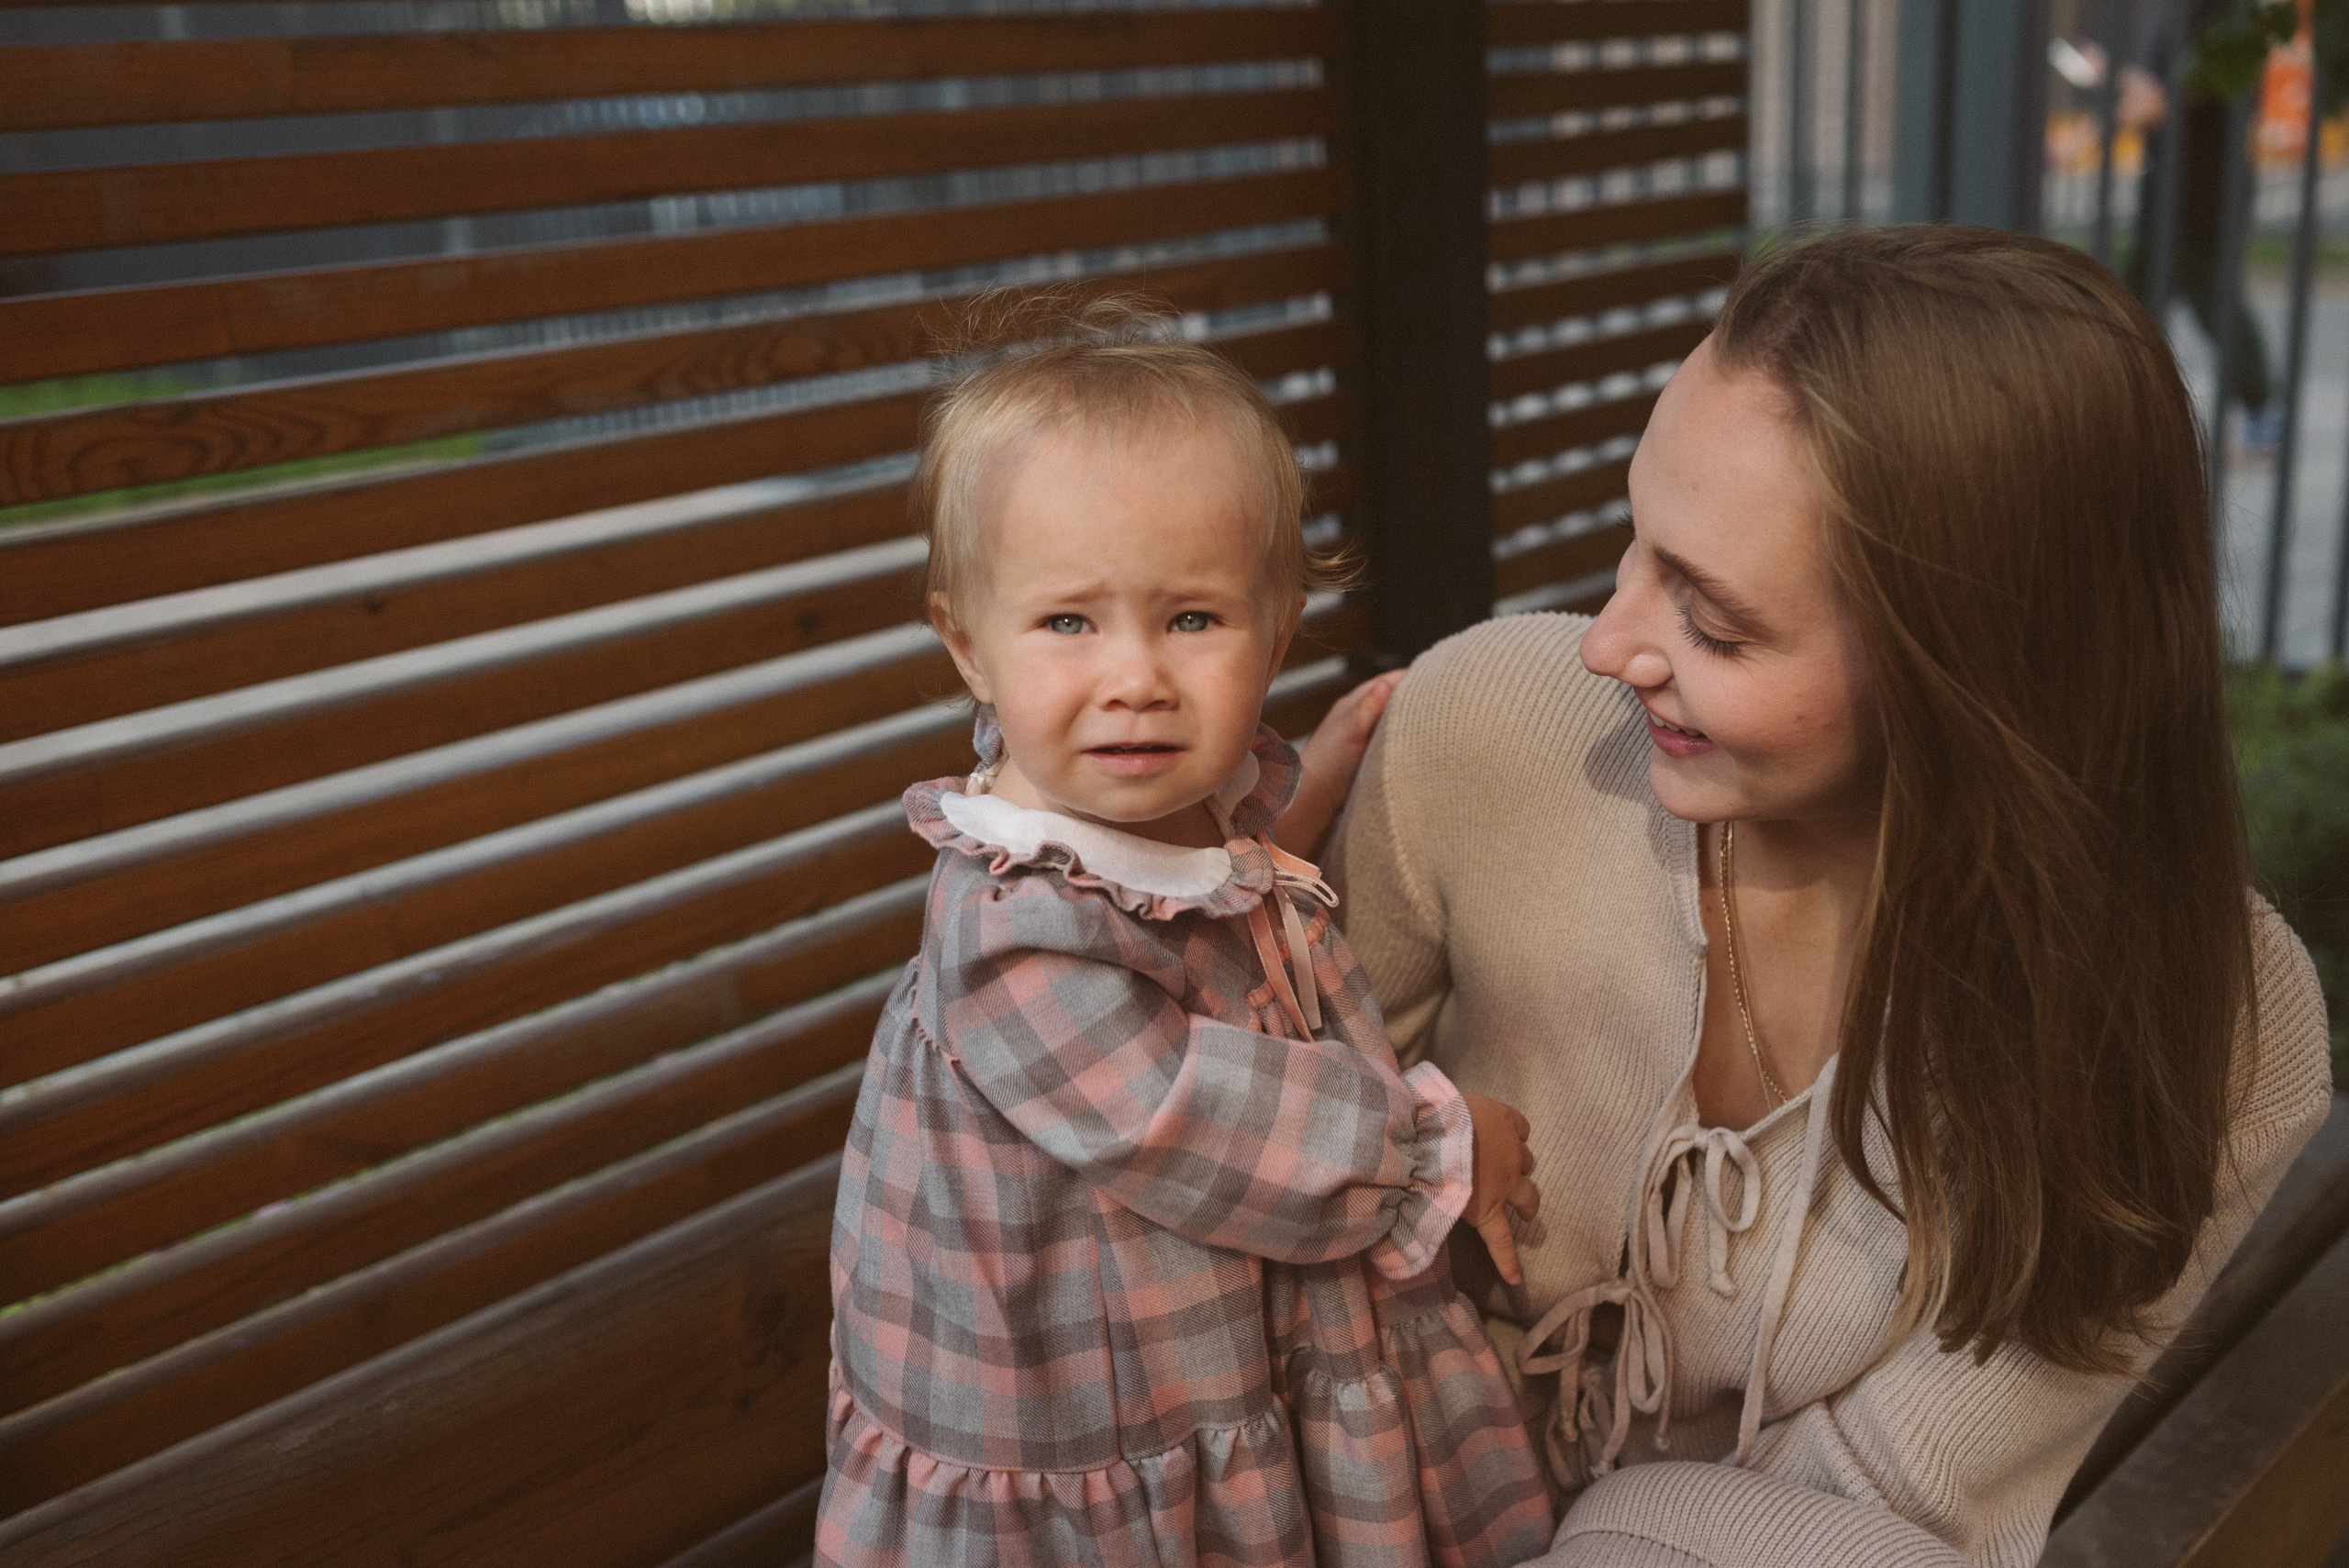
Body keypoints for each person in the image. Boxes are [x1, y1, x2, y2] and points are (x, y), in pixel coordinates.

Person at [1293, 227, 2332, 1565]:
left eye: (1715, 623)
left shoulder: (2210, 1020)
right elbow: (1235, 1182)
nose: (1609, 643)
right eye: (1634, 543)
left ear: (1971, 668)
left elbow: (1873, 1514)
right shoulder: (1488, 726)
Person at [818, 294, 1554, 1567]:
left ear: (1276, 635)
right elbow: (1179, 1110)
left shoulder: (1159, 803)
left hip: (1225, 1326)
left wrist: (1311, 798)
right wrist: (1428, 1150)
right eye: (1069, 621)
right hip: (1097, 1408)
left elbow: (1209, 897)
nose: (1136, 679)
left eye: (1193, 620)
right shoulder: (1008, 929)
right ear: (969, 647)